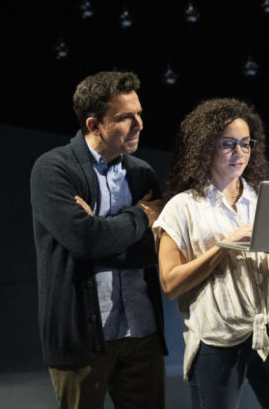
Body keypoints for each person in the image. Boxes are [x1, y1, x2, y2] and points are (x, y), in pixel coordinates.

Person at [153, 98, 269, 409]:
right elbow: (170, 284)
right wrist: (225, 246)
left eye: (245, 143)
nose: (239, 152)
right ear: (205, 147)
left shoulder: (264, 199)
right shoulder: (182, 208)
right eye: (228, 144)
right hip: (217, 336)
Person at [30, 71, 168, 408]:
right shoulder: (53, 170)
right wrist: (138, 216)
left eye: (139, 113)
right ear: (94, 125)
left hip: (142, 332)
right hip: (81, 338)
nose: (139, 124)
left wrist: (99, 232)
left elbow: (156, 249)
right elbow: (84, 240)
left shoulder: (141, 174)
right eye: (125, 117)